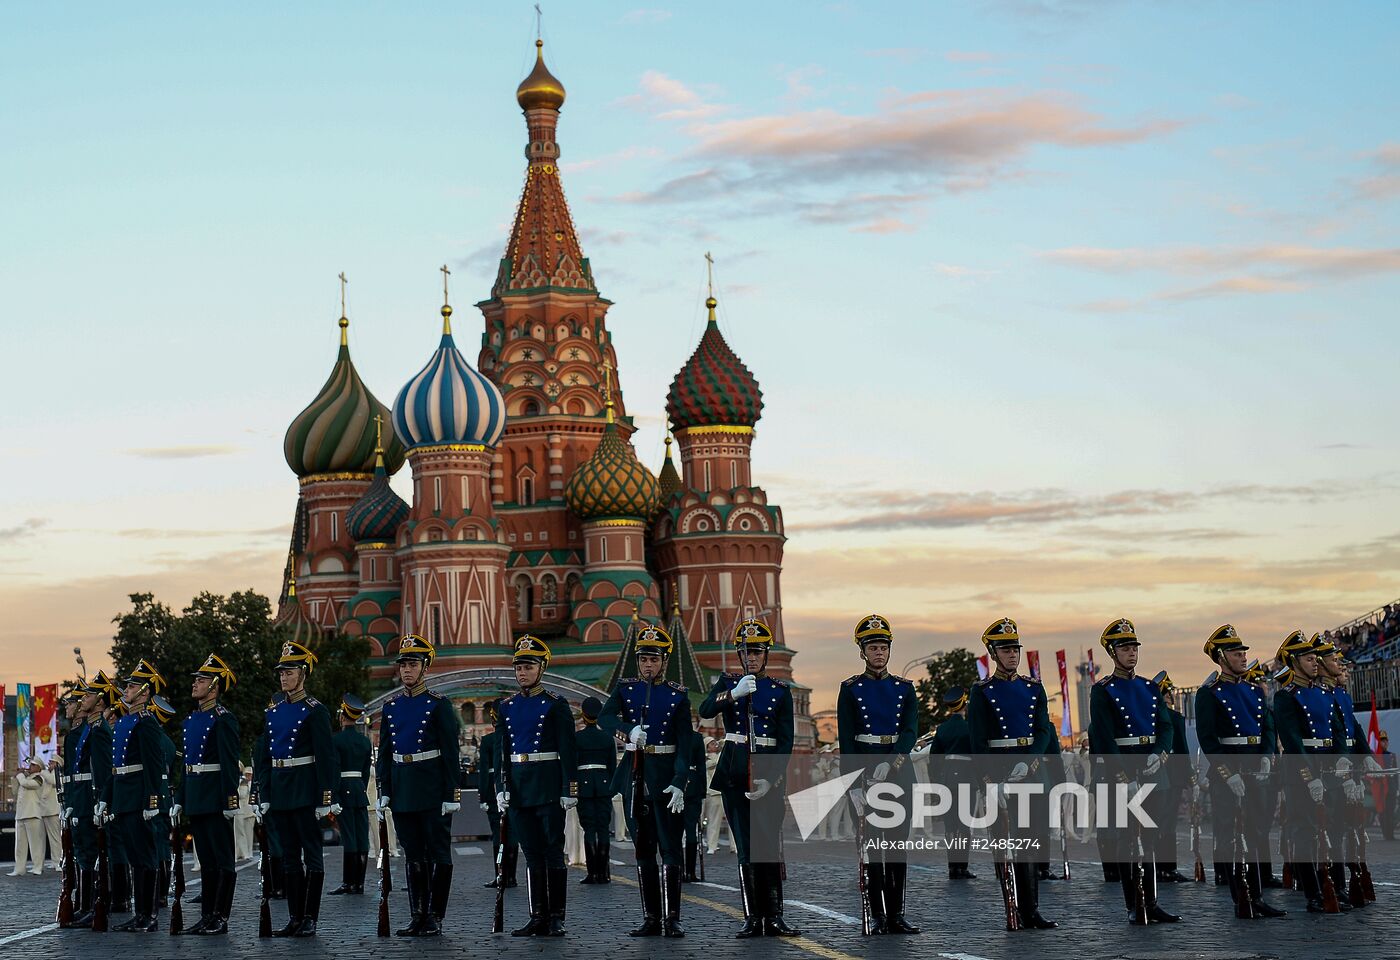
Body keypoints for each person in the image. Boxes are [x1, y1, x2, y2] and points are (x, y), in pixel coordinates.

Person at [699, 618, 799, 937]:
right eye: (746, 652)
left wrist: (773, 778)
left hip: (767, 772)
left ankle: (775, 916)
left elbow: (785, 741)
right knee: (745, 846)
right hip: (735, 770)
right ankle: (753, 917)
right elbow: (704, 709)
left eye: (756, 652)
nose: (751, 657)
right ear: (739, 655)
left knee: (768, 845)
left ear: (765, 654)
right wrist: (733, 694)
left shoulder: (780, 691)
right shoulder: (729, 682)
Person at [599, 621, 694, 938]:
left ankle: (672, 918)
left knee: (670, 848)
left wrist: (680, 780)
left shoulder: (677, 696)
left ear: (664, 661)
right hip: (636, 777)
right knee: (643, 848)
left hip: (666, 775)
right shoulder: (626, 689)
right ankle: (651, 918)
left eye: (653, 659)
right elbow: (604, 718)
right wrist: (628, 731)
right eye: (643, 659)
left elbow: (685, 743)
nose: (648, 665)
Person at [1087, 618, 1180, 925]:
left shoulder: (1150, 688)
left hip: (1152, 770)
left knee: (1151, 839)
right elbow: (1104, 738)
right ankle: (1134, 903)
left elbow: (1165, 727)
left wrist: (1159, 754)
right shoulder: (1103, 691)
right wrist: (1122, 778)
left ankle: (1151, 902)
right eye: (1125, 648)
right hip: (1123, 770)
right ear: (1112, 653)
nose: (1131, 653)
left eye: (1134, 647)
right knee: (1128, 840)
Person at [967, 617, 1058, 931]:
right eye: (1005, 650)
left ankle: (1031, 910)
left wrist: (1031, 761)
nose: (1012, 655)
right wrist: (989, 783)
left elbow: (1043, 731)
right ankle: (1014, 906)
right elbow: (978, 742)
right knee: (1006, 845)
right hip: (999, 771)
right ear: (993, 653)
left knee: (1031, 841)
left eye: (1015, 649)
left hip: (1029, 771)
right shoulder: (982, 692)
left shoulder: (1033, 688)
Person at [837, 613, 921, 935]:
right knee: (873, 846)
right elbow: (847, 741)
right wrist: (853, 785)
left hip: (898, 771)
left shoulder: (905, 688)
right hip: (865, 771)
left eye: (883, 647)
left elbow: (910, 730)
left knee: (897, 846)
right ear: (862, 651)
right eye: (873, 647)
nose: (879, 653)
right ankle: (877, 914)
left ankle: (897, 913)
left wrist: (894, 761)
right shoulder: (850, 689)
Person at [1195, 626, 1286, 918]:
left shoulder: (1253, 691)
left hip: (1254, 768)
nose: (1243, 657)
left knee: (1257, 832)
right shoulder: (1209, 693)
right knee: (1232, 836)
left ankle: (1257, 895)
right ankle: (1242, 897)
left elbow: (1267, 726)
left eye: (1243, 652)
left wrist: (1266, 756)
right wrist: (1227, 773)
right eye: (1237, 653)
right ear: (1222, 657)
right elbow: (1208, 738)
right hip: (1229, 772)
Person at [376, 634, 461, 937]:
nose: (407, 670)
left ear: (426, 667)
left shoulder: (438, 705)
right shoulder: (391, 707)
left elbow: (450, 752)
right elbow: (385, 753)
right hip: (403, 787)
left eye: (413, 664)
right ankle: (418, 914)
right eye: (403, 665)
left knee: (438, 852)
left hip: (432, 787)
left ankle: (435, 915)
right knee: (412, 852)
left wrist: (452, 793)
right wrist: (385, 790)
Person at [494, 635, 577, 936]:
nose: (522, 673)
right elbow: (502, 751)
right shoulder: (507, 706)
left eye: (528, 667)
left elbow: (568, 750)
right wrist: (500, 786)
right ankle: (537, 915)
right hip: (519, 786)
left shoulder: (556, 704)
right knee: (530, 852)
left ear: (542, 668)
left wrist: (569, 789)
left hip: (548, 785)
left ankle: (556, 917)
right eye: (519, 668)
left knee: (552, 850)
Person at [259, 641, 337, 937]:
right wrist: (265, 794)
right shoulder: (274, 712)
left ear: (303, 674)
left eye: (290, 672)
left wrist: (325, 797)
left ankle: (310, 918)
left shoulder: (315, 711)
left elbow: (325, 757)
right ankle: (294, 917)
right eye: (282, 672)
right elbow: (266, 757)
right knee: (289, 856)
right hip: (281, 789)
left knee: (312, 854)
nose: (284, 677)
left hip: (304, 789)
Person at [168, 653, 240, 934]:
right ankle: (207, 915)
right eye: (196, 680)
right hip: (197, 796)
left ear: (214, 686)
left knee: (223, 860)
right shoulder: (192, 720)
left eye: (201, 680)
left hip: (215, 796)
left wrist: (230, 800)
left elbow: (228, 763)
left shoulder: (223, 719)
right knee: (207, 861)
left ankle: (221, 916)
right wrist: (180, 799)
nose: (195, 684)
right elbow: (188, 764)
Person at [96, 659, 167, 932]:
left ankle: (149, 915)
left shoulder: (146, 723)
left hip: (138, 796)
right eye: (127, 686)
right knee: (135, 857)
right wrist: (106, 797)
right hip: (123, 795)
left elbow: (153, 765)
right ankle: (140, 914)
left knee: (146, 856)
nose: (126, 689)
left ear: (145, 692)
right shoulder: (125, 722)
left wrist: (152, 800)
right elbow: (116, 767)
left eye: (133, 686)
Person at [1272, 630, 1341, 913]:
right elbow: (1292, 740)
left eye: (1316, 658)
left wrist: (1343, 760)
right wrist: (1309, 776)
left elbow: (1337, 731)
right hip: (1302, 770)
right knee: (1305, 831)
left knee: (1331, 829)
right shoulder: (1286, 697)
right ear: (1294, 662)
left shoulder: (1324, 693)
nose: (1315, 663)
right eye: (1309, 659)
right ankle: (1313, 892)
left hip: (1327, 766)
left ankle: (1333, 887)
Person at [1314, 635, 1381, 906]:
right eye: (1335, 661)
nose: (1342, 666)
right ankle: (1334, 884)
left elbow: (1353, 728)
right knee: (1331, 830)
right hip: (1332, 768)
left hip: (1349, 765)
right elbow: (1328, 737)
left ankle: (1348, 881)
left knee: (1348, 827)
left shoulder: (1340, 694)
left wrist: (1366, 757)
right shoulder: (1320, 695)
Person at [63, 673, 115, 927]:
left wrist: (101, 800)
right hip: (81, 796)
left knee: (93, 852)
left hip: (90, 797)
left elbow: (103, 772)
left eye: (89, 695)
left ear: (101, 700)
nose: (84, 699)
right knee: (83, 851)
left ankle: (96, 905)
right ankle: (86, 906)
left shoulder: (98, 731)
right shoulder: (89, 730)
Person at [928, 686, 976, 880]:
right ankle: (962, 867)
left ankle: (952, 868)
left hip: (947, 780)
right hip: (966, 779)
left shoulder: (942, 729)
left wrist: (938, 780)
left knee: (950, 827)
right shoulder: (970, 728)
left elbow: (934, 759)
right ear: (964, 704)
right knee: (964, 826)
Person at [329, 694, 372, 897]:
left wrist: (333, 796)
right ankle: (359, 884)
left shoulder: (336, 740)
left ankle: (349, 882)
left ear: (342, 716)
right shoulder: (364, 741)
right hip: (359, 790)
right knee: (362, 837)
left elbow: (334, 770)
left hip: (343, 790)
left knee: (349, 837)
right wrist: (360, 787)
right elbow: (365, 771)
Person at [1152, 672, 1192, 884]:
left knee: (1157, 822)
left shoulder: (1149, 718)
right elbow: (1182, 750)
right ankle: (1167, 868)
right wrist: (1189, 775)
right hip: (1173, 776)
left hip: (1156, 776)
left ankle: (1158, 867)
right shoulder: (1174, 718)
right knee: (1167, 824)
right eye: (1169, 694)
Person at [574, 696, 616, 884]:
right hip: (604, 784)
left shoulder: (577, 738)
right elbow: (612, 765)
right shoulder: (607, 737)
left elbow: (572, 765)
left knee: (589, 828)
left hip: (583, 787)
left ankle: (593, 873)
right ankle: (604, 873)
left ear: (583, 716)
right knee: (603, 828)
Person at [477, 699, 518, 889]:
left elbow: (484, 772)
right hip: (515, 788)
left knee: (498, 834)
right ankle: (512, 877)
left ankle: (501, 875)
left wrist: (483, 796)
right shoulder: (516, 737)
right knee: (512, 833)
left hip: (495, 791)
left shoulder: (488, 740)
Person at [11, 761, 47, 876]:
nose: (30, 767)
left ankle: (38, 867)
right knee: (19, 845)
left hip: (32, 813)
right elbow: (14, 792)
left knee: (35, 844)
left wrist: (20, 775)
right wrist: (15, 778)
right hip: (21, 814)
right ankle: (19, 868)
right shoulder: (25, 778)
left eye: (33, 765)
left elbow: (27, 784)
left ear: (39, 767)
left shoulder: (39, 778)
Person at [234, 768, 256, 862]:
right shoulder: (240, 783)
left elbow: (252, 794)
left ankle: (249, 852)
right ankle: (242, 852)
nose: (248, 776)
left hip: (249, 811)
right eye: (247, 774)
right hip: (240, 811)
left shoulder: (251, 784)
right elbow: (239, 795)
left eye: (250, 774)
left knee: (249, 833)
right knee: (239, 833)